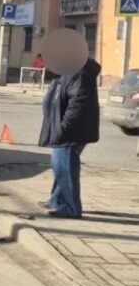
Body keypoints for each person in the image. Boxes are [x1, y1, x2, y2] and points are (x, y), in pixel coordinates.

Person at [38, 58, 101, 218]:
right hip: (63, 129)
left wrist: (63, 128)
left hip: (72, 131)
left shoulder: (78, 73)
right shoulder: (66, 71)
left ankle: (71, 208)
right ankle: (56, 201)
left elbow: (78, 104)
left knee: (65, 166)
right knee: (59, 166)